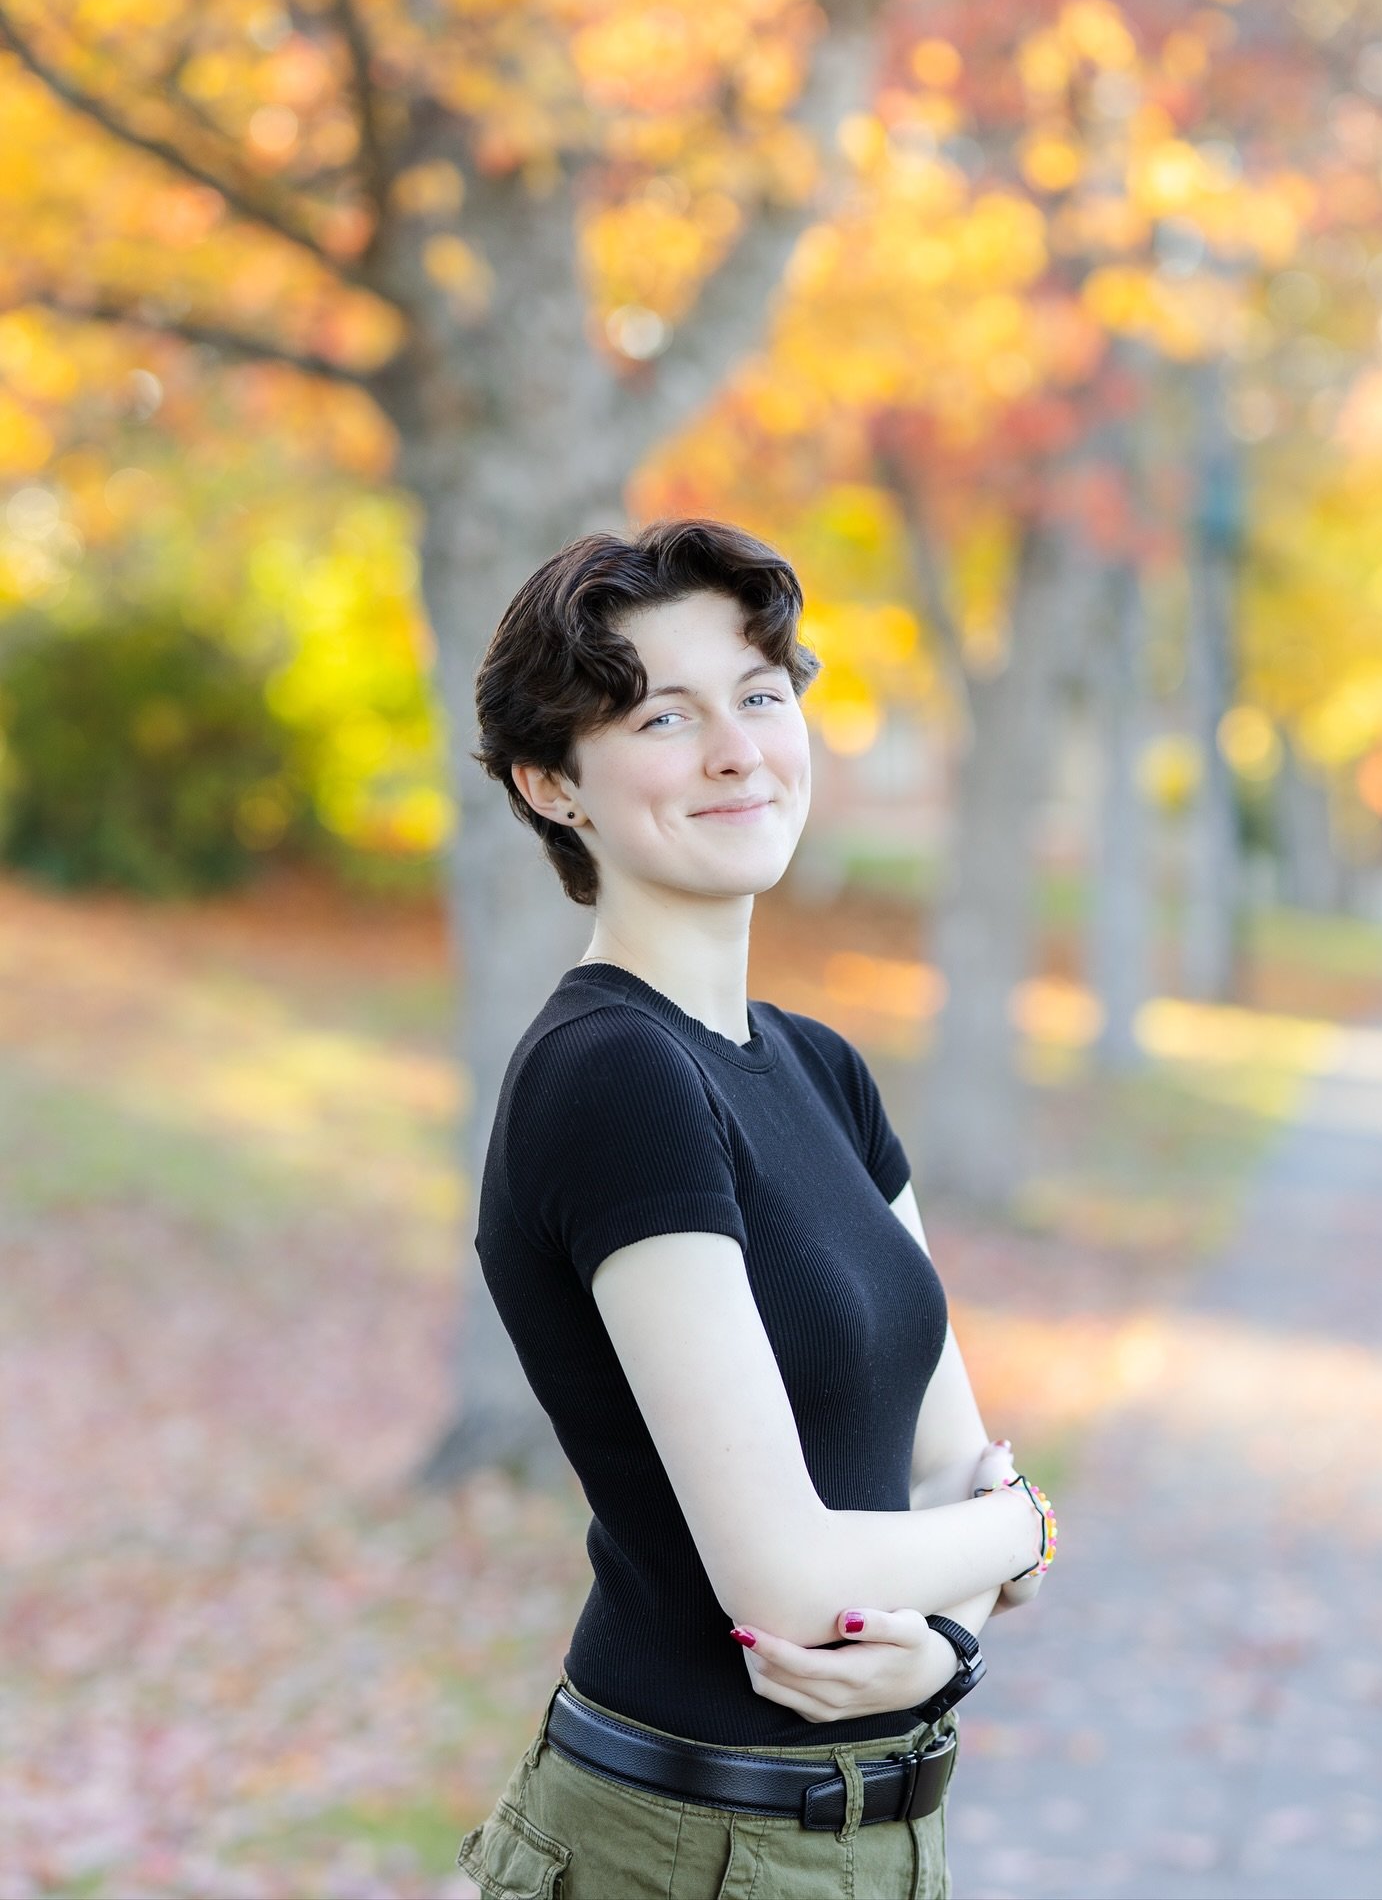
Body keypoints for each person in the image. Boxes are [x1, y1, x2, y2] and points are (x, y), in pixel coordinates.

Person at [456, 517, 1054, 1900]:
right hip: (683, 1847)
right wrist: (1025, 1532)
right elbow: (788, 1579)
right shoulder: (612, 1074)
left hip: (877, 1841)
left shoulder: (821, 1069)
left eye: (762, 696)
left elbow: (949, 1468)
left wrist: (948, 1638)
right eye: (665, 716)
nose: (738, 751)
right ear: (553, 785)